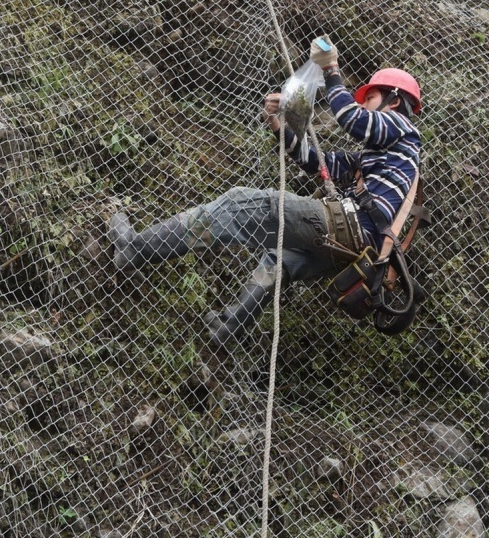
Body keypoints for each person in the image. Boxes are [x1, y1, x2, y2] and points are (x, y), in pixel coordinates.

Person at [109, 39, 422, 347]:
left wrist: (331, 69)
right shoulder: (375, 158)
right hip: (352, 246)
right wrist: (276, 123)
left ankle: (136, 248)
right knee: (279, 262)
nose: (363, 102)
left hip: (350, 228)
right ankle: (230, 329)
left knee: (240, 205)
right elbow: (316, 161)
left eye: (371, 97)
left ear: (393, 101)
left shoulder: (404, 131)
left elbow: (352, 119)